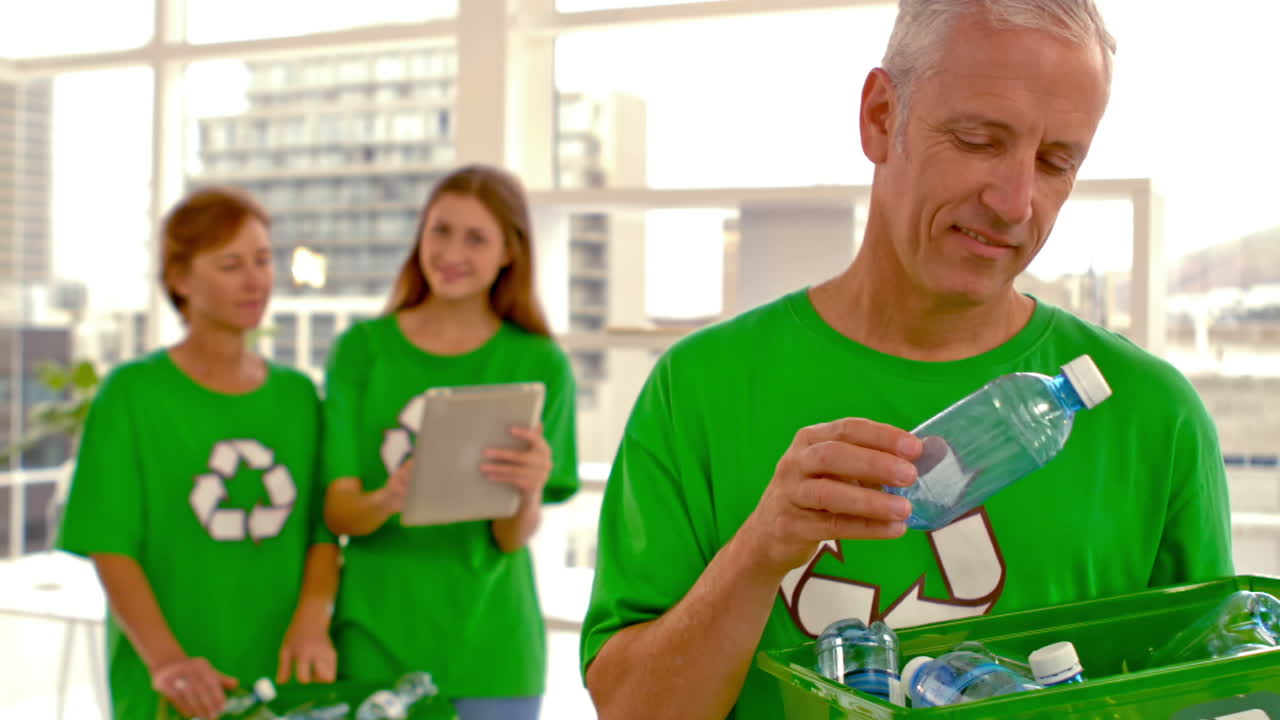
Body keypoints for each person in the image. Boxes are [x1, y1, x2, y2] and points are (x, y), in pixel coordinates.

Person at [580, 2, 1234, 718]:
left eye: (1055, 162)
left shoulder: (1155, 418)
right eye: (980, 140)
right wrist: (759, 552)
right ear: (880, 116)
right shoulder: (700, 389)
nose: (1015, 202)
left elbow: (1216, 695)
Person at [58, 187, 340, 720]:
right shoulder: (132, 395)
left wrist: (312, 618)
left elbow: (323, 532)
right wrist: (169, 662)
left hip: (285, 680)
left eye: (263, 260)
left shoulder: (300, 396)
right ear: (180, 279)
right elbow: (110, 545)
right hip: (176, 688)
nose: (256, 279)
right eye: (231, 265)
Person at [323, 164, 578, 720]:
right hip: (372, 648)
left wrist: (528, 491)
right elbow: (339, 513)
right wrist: (390, 497)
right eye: (439, 230)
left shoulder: (539, 364)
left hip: (492, 651)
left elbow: (510, 539)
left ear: (510, 251)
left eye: (476, 237)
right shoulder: (362, 351)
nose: (450, 251)